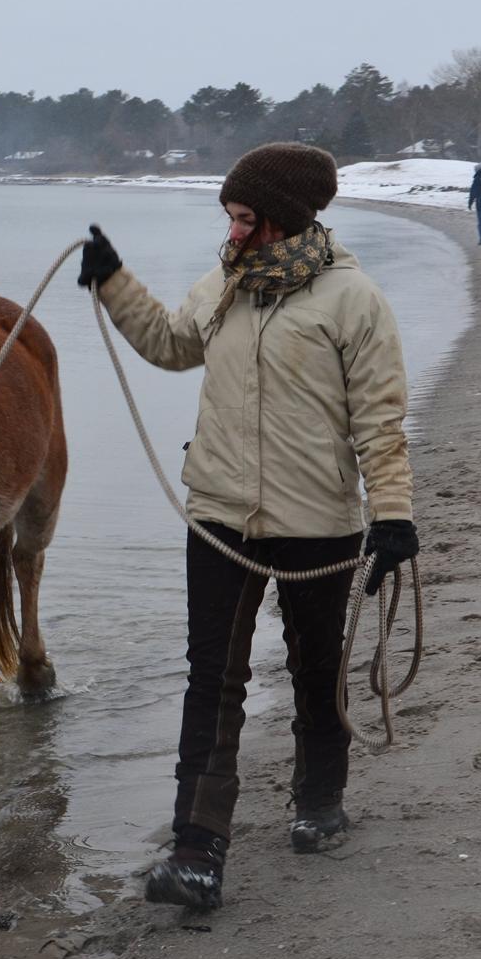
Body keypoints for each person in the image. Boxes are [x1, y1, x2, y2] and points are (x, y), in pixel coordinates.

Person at [78, 143, 419, 911]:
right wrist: (111, 281)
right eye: (228, 218)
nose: (231, 233)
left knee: (314, 668)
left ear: (282, 218)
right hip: (218, 514)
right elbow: (169, 344)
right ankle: (196, 851)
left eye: (242, 218)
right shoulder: (226, 285)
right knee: (213, 680)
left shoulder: (352, 299)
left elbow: (380, 419)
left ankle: (319, 800)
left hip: (317, 522)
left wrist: (392, 516)